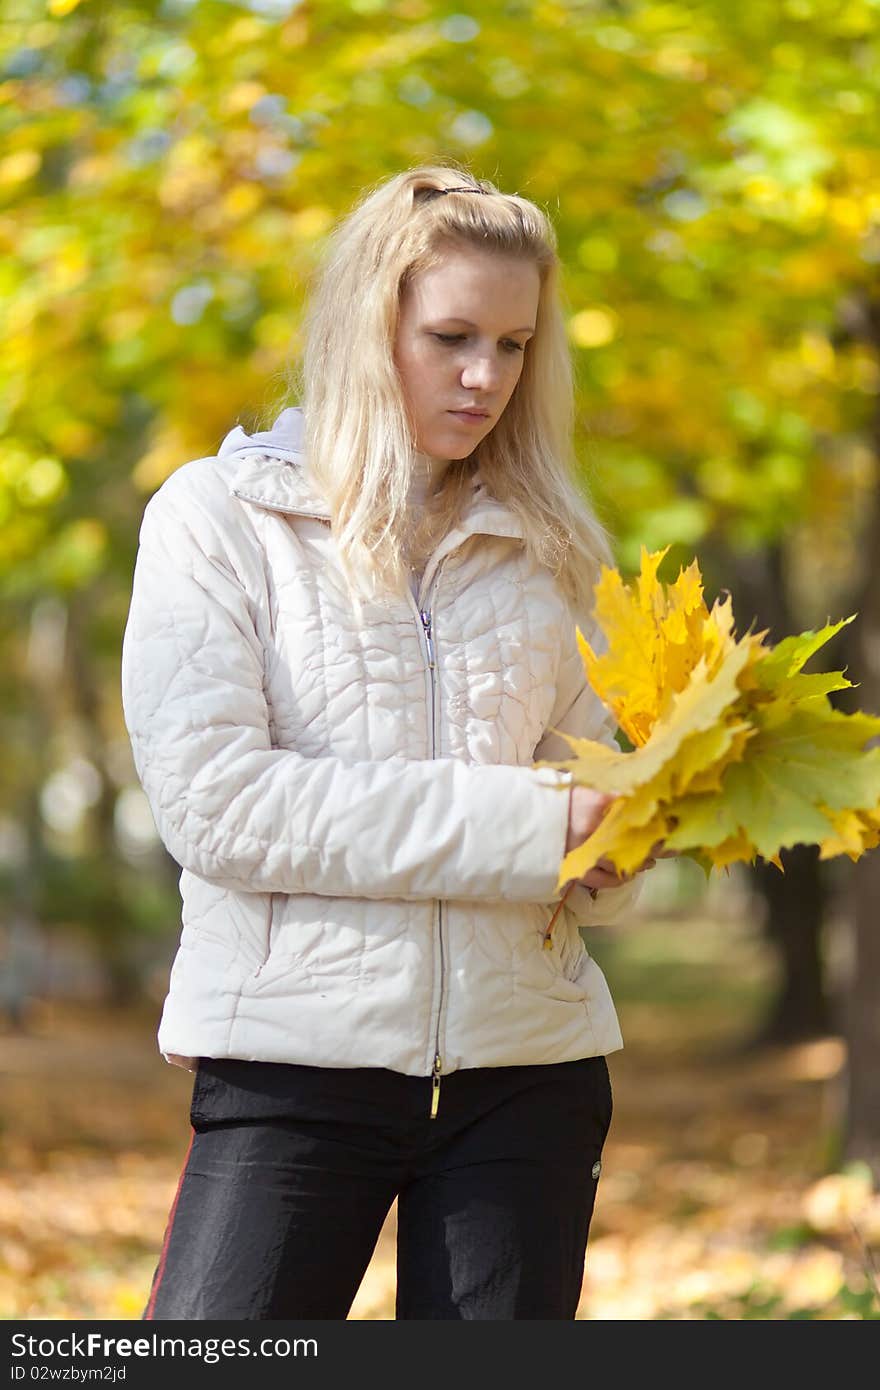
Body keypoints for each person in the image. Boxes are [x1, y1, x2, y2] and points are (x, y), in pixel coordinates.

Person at [120, 162, 659, 1322]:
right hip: (290, 1068)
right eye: (451, 335)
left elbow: (591, 811)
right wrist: (534, 827)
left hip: (529, 1070)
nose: (484, 378)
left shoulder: (557, 552)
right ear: (370, 331)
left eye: (514, 346)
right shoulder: (218, 522)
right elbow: (220, 805)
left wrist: (626, 839)